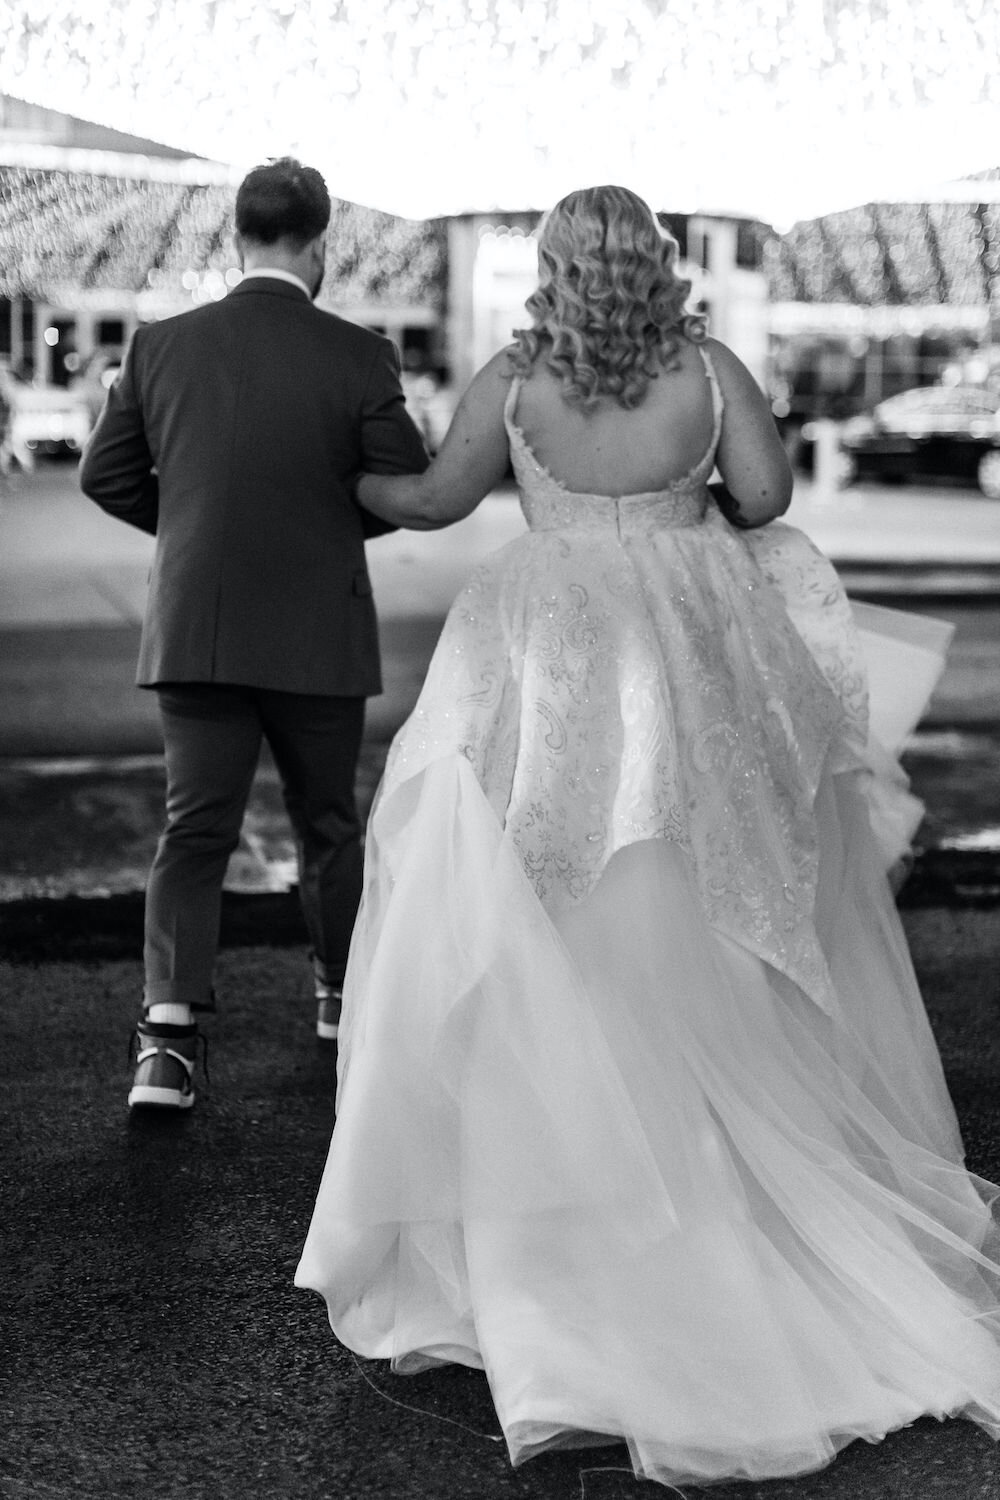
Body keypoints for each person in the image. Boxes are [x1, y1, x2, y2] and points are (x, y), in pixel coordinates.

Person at [295, 186, 1000, 1487]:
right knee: (715, 881)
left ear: (558, 268)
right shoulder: (710, 367)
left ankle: (572, 1186)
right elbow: (770, 494)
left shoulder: (516, 379)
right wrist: (677, 516)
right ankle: (734, 1182)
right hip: (689, 646)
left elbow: (438, 499)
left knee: (541, 895)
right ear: (659, 263)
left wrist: (337, 470)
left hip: (550, 649)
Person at [80, 157, 428, 1112]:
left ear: (240, 238)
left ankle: (167, 1048)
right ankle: (338, 998)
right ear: (320, 247)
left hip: (201, 621)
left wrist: (201, 526)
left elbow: (104, 477)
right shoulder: (361, 357)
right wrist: (316, 529)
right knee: (329, 825)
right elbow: (403, 481)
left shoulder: (160, 346)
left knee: (193, 831)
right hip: (321, 627)